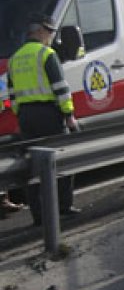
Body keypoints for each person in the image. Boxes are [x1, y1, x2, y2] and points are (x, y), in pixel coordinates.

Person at [6, 13, 81, 226]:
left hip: (26, 117)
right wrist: (69, 115)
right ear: (38, 32)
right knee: (63, 159)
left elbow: (12, 94)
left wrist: (20, 114)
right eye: (48, 32)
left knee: (33, 166)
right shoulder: (46, 54)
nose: (50, 36)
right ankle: (63, 208)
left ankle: (38, 215)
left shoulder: (14, 58)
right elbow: (61, 88)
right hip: (49, 114)